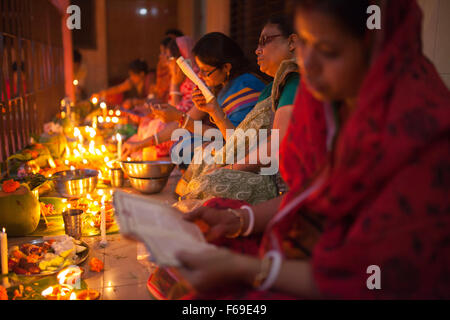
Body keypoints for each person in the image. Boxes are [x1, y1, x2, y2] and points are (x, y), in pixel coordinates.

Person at [171, 0, 450, 299]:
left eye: (329, 50)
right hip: (314, 247)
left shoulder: (420, 138)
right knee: (214, 222)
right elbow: (311, 193)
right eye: (304, 43)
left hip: (355, 279)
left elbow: (366, 280)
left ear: (376, 49)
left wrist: (246, 268)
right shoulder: (327, 107)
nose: (309, 64)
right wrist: (239, 220)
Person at [175, 15, 301, 204]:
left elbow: (277, 144)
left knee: (210, 180)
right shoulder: (271, 88)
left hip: (269, 178)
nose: (257, 50)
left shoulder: (292, 81)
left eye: (264, 42)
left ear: (292, 42)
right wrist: (214, 111)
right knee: (204, 162)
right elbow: (241, 142)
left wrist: (231, 168)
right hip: (245, 162)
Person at [122, 32, 266, 161]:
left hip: (248, 153)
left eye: (205, 71)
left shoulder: (246, 85)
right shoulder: (217, 85)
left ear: (226, 68)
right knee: (182, 144)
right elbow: (188, 120)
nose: (201, 76)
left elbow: (237, 143)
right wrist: (141, 144)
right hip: (226, 143)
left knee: (188, 149)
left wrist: (182, 118)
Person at [125, 36, 198, 159]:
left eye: (169, 57)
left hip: (190, 132)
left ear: (182, 58)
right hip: (181, 125)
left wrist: (174, 84)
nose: (166, 62)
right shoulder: (185, 80)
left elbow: (178, 117)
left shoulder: (197, 81)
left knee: (159, 129)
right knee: (148, 123)